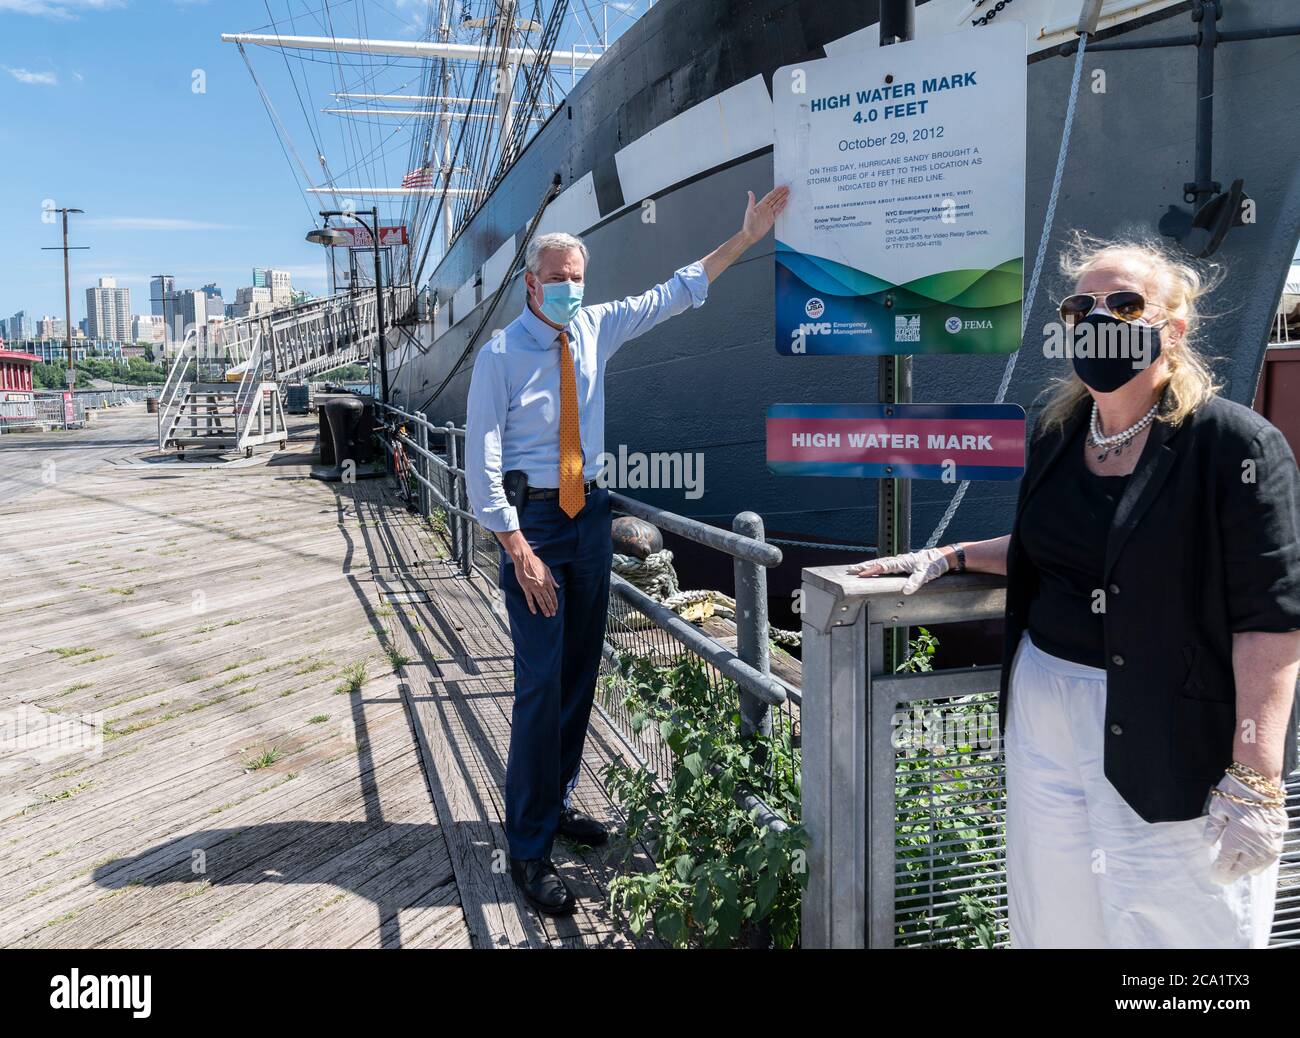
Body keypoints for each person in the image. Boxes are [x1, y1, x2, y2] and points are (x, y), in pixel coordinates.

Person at [854, 233, 1300, 948]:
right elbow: (1049, 553)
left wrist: (1255, 776)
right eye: (1080, 306)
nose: (1099, 319)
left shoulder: (1232, 446)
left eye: (1124, 304)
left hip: (1171, 725)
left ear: (1173, 329)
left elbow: (1270, 617)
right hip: (1045, 713)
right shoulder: (1060, 436)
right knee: (1056, 916)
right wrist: (952, 555)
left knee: (1178, 925)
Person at [465, 186, 790, 914]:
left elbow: (678, 290)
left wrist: (745, 235)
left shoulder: (595, 329)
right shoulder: (498, 356)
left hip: (591, 517)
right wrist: (516, 547)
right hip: (535, 527)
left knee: (582, 672)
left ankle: (559, 800)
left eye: (579, 277)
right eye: (559, 279)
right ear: (531, 283)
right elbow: (480, 461)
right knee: (539, 685)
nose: (572, 288)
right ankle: (526, 848)